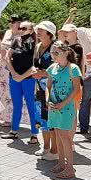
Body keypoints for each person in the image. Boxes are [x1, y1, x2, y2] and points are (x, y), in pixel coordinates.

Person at [64, 10, 91, 135]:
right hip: (90, 72)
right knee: (86, 100)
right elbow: (66, 30)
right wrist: (70, 17)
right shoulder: (84, 32)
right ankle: (83, 127)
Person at [46, 42, 83, 180]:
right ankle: (61, 163)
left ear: (67, 53)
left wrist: (63, 103)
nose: (54, 55)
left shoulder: (73, 68)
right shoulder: (52, 68)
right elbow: (48, 86)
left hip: (66, 107)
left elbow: (76, 89)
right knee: (57, 135)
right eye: (53, 53)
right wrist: (48, 99)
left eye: (57, 53)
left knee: (65, 137)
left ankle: (70, 168)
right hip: (54, 106)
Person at [3, 21, 40, 143]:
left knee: (31, 105)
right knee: (17, 104)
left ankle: (34, 133)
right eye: (20, 28)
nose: (21, 30)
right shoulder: (16, 40)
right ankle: (14, 131)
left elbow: (35, 65)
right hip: (14, 77)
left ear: (31, 30)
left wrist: (22, 76)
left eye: (24, 28)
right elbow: (7, 57)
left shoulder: (35, 44)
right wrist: (14, 74)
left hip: (29, 79)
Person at [33, 21, 57, 161]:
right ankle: (45, 147)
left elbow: (59, 69)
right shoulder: (38, 46)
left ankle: (54, 150)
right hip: (38, 88)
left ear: (50, 33)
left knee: (50, 119)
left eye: (42, 30)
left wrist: (43, 73)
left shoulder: (55, 48)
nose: (38, 32)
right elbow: (35, 65)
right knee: (41, 118)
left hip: (51, 88)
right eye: (38, 29)